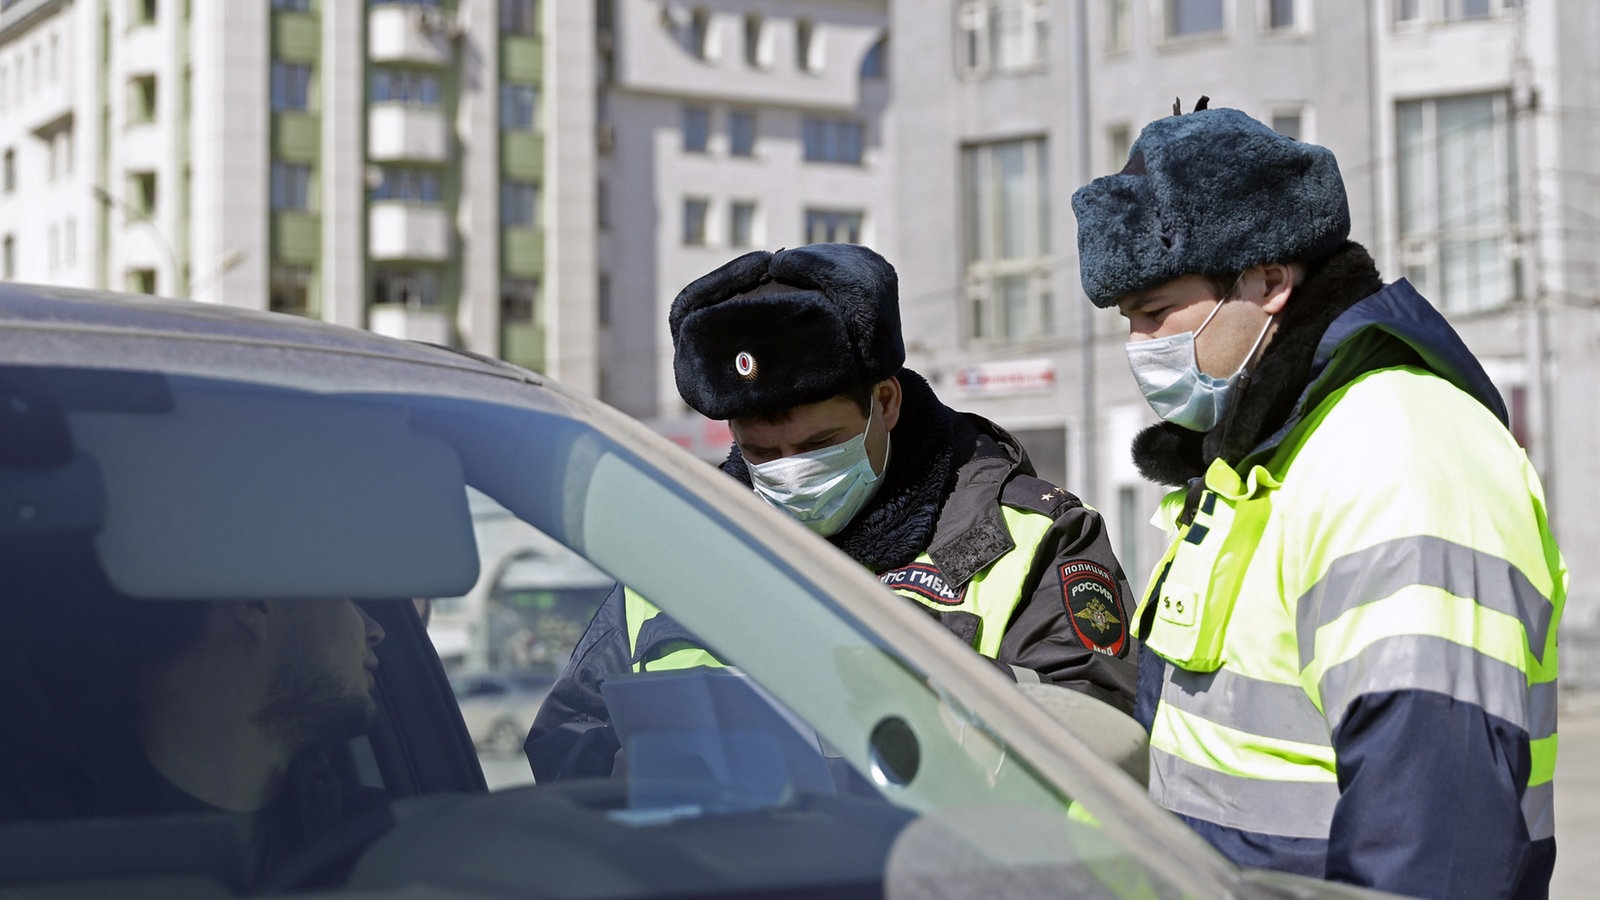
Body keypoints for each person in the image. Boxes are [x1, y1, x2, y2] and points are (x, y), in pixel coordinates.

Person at [1070, 102, 1566, 898]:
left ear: (1268, 280)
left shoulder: (1400, 452)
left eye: (1159, 314)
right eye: (1129, 322)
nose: (1141, 349)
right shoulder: (1259, 461)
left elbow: (1435, 833)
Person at [527, 242, 1139, 781]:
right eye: (760, 451)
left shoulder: (1032, 537)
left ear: (886, 401)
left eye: (819, 445)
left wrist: (923, 693)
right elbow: (570, 741)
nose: (790, 470)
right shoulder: (678, 547)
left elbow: (1101, 743)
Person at [75, 596, 390, 882]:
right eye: (348, 595)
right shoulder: (47, 829)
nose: (376, 630)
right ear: (254, 602)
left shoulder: (378, 842)